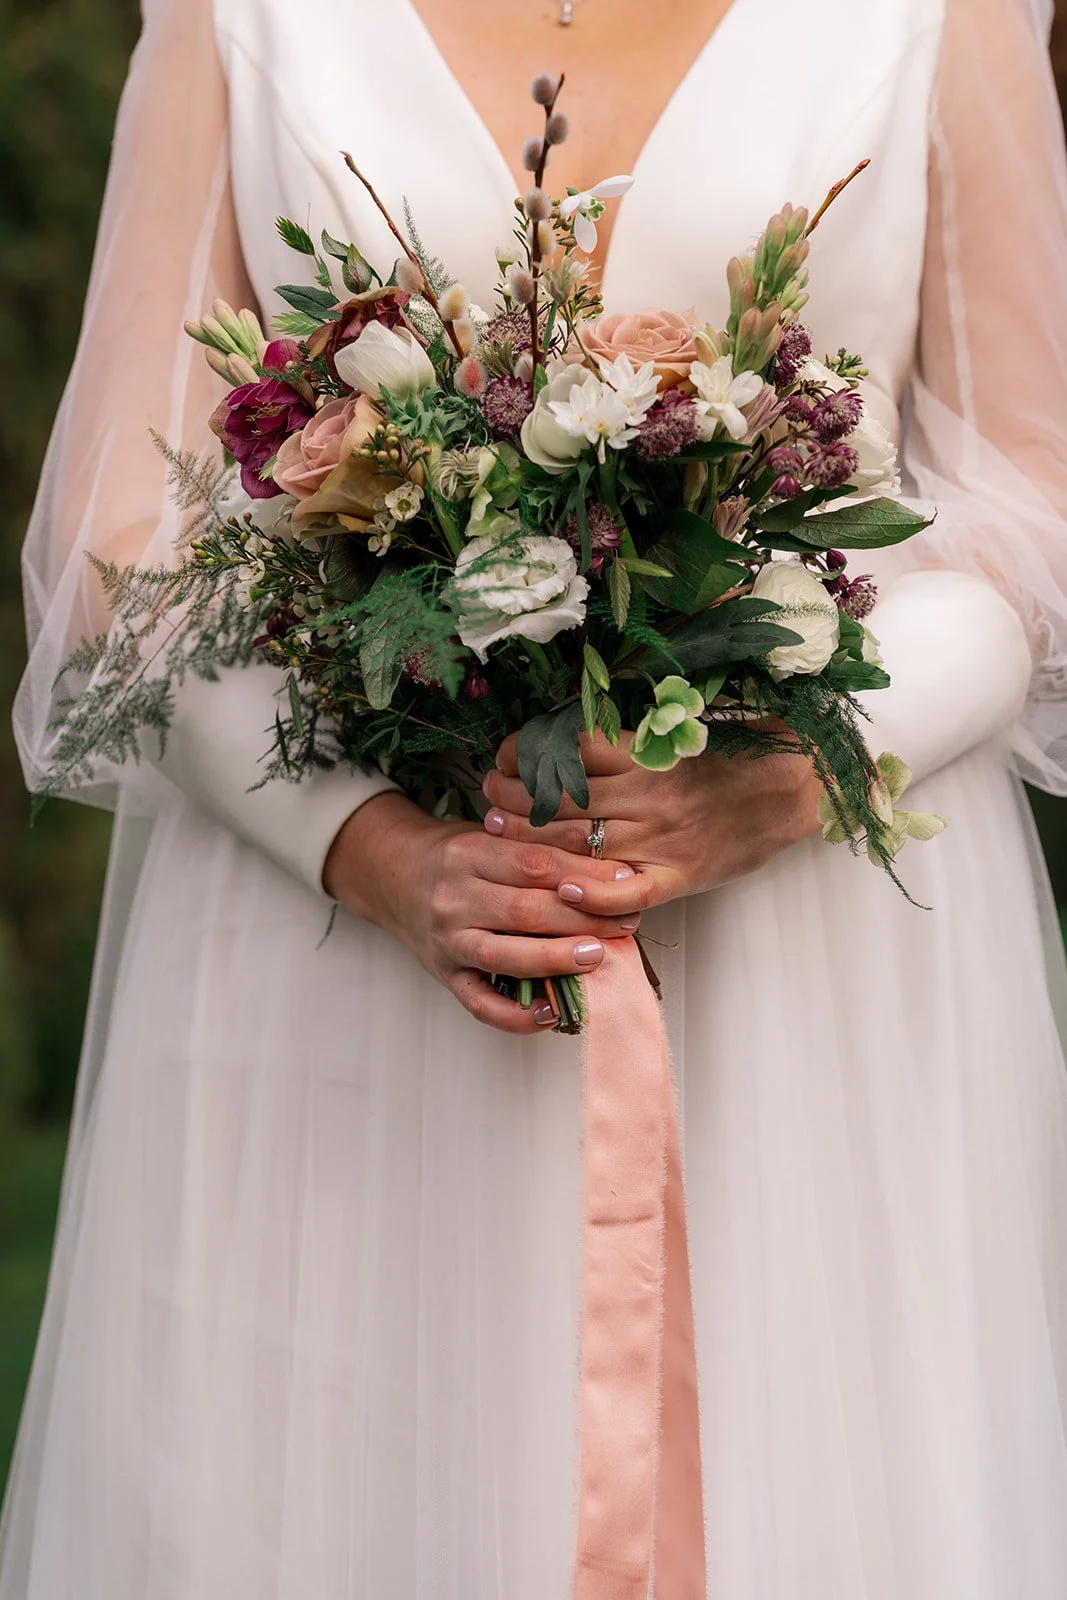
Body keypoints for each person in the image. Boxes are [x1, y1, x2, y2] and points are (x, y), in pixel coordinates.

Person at [5, 0, 1067, 1593]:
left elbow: (1032, 515)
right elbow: (115, 537)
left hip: (809, 978)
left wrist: (780, 780)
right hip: (348, 976)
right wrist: (366, 848)